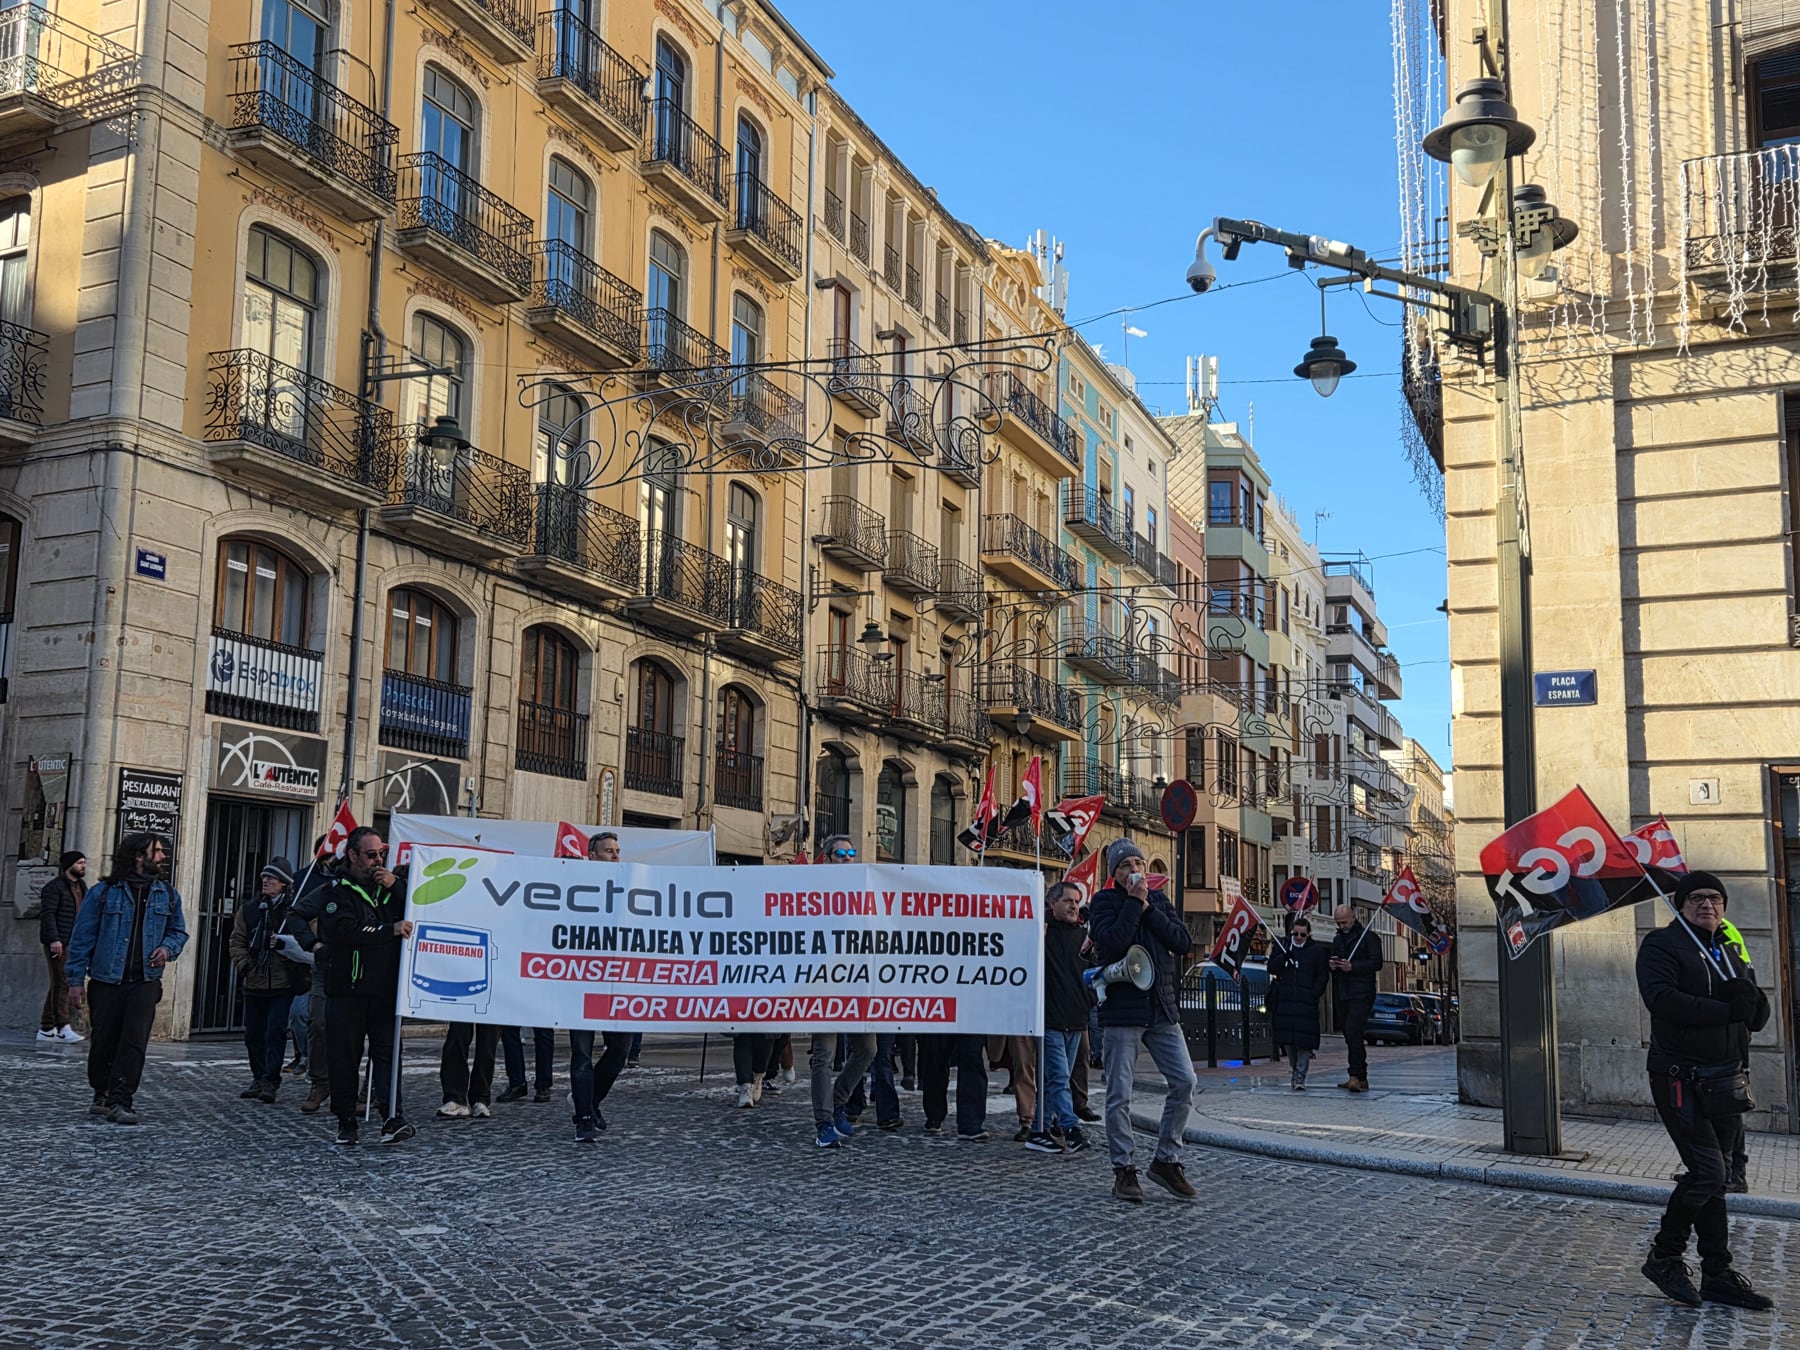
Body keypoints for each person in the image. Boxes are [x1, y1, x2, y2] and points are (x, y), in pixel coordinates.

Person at [1636, 872, 1773, 1311]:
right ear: (1680, 904)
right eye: (1696, 897)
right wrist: (1725, 1009)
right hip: (1681, 1077)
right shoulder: (1661, 944)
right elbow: (1662, 999)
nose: (1707, 904)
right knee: (1708, 1172)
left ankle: (1717, 1273)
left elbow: (1753, 1015)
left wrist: (1752, 1000)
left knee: (1720, 1179)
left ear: (1724, 906)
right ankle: (1664, 1256)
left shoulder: (1728, 949)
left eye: (1715, 898)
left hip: (1726, 1078)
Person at [1088, 839, 1197, 1202]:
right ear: (1114, 873)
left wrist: (1149, 908)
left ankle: (1167, 1159)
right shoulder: (1104, 902)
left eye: (1138, 863)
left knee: (1185, 1081)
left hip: (1161, 1007)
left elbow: (1182, 942)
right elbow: (1111, 942)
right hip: (1123, 1011)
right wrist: (1133, 903)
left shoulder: (1160, 901)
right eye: (1125, 865)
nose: (1134, 869)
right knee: (1120, 1093)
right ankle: (1123, 1168)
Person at [64, 833, 188, 1125]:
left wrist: (167, 948)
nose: (162, 856)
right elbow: (82, 937)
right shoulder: (103, 892)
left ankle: (121, 1100)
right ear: (138, 856)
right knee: (104, 1041)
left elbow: (178, 931)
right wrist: (75, 981)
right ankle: (101, 1091)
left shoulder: (167, 895)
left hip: (145, 981)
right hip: (107, 980)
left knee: (134, 1042)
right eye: (157, 851)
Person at [318, 827, 415, 1147]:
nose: (378, 861)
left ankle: (392, 1117)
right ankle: (346, 1120)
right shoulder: (335, 890)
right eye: (371, 855)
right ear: (353, 855)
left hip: (385, 989)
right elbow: (342, 930)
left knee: (388, 1055)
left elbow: (419, 909)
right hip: (348, 989)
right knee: (345, 1057)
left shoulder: (389, 888)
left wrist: (397, 886)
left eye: (381, 854)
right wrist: (388, 930)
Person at [809, 834, 877, 1148]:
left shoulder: (865, 887)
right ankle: (823, 1122)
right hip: (824, 983)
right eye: (841, 854)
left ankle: (838, 1102)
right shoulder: (814, 889)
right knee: (824, 1055)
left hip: (857, 983)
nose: (848, 858)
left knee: (867, 1050)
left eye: (852, 853)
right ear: (827, 859)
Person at [228, 857, 313, 1103]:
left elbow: (308, 941)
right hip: (254, 980)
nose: (266, 881)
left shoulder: (295, 911)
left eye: (272, 878)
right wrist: (244, 965)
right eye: (264, 877)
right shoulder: (249, 909)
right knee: (253, 1034)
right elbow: (237, 940)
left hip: (282, 983)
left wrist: (286, 944)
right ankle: (257, 1077)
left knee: (275, 1032)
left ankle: (270, 1080)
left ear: (284, 883)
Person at [1027, 880, 1091, 1153]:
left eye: (1076, 901)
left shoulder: (1083, 936)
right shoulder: (1041, 932)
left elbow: (1090, 972)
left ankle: (1038, 1129)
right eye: (1068, 901)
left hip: (1076, 1017)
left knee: (1055, 1078)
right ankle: (1071, 1128)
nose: (1074, 906)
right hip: (1051, 1017)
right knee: (1059, 1076)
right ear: (1052, 904)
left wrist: (1089, 999)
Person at [1268, 915, 1331, 1090]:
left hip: (1306, 1003)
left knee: (1304, 1043)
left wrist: (1314, 993)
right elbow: (1271, 968)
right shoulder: (1283, 946)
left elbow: (1322, 975)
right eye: (1295, 934)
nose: (1298, 937)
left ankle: (1300, 1076)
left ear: (1308, 934)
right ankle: (1295, 1069)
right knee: (1289, 1042)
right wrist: (1283, 957)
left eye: (1302, 934)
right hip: (1286, 1001)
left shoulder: (1316, 952)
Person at [1329, 904, 1381, 1093]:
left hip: (1362, 992)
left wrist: (1353, 966)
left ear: (1353, 917)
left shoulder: (1368, 938)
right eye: (1338, 923)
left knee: (1353, 1030)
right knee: (1350, 1034)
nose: (1342, 926)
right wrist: (1333, 965)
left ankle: (1356, 1075)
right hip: (1343, 991)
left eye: (1344, 922)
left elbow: (1376, 962)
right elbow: (1335, 960)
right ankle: (1360, 1076)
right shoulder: (1337, 939)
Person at [37, 851, 87, 1043]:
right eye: (80, 862)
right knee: (63, 982)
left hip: (75, 942)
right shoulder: (54, 887)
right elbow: (48, 914)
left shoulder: (81, 886)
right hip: (60, 942)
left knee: (59, 983)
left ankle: (46, 1027)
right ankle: (62, 1027)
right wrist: (54, 939)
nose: (83, 866)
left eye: (84, 862)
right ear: (69, 865)